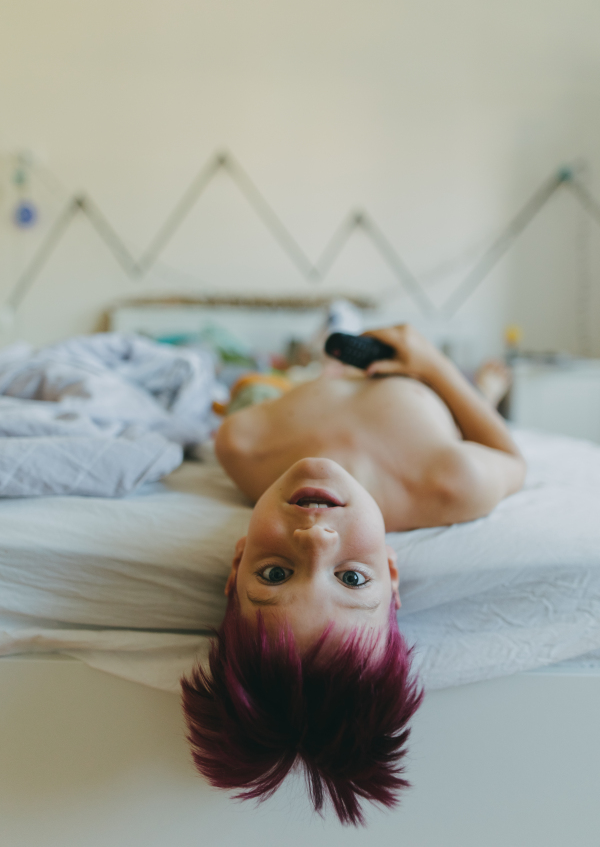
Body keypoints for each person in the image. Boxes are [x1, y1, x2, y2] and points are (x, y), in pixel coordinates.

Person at [181, 324, 525, 825]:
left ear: (238, 563)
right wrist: (433, 365)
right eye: (353, 581)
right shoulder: (451, 483)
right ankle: (484, 392)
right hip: (417, 380)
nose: (316, 539)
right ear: (390, 570)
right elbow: (513, 460)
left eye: (275, 574)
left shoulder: (243, 445)